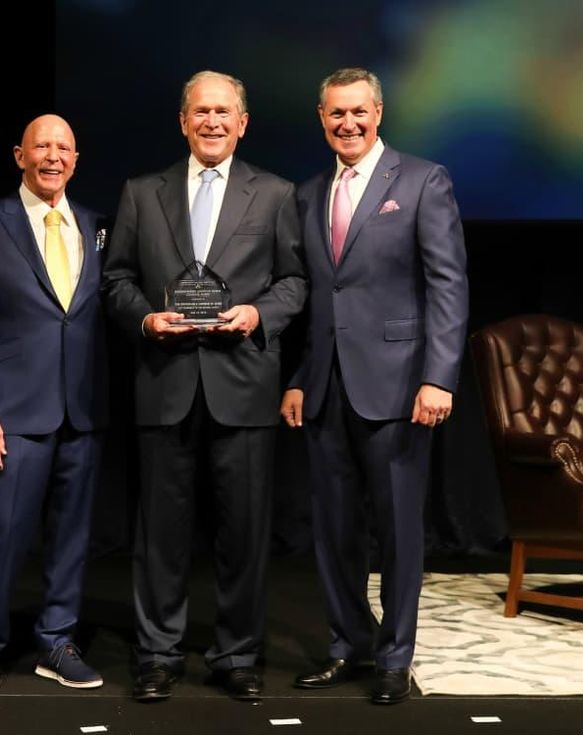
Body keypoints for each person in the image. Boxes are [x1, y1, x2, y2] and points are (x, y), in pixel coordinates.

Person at [103, 70, 307, 702]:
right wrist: (144, 316)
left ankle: (238, 654)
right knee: (160, 533)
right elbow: (116, 279)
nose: (213, 121)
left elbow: (294, 282)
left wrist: (257, 316)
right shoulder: (142, 192)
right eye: (201, 111)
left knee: (243, 532)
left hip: (242, 384)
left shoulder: (275, 193)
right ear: (183, 121)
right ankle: (157, 653)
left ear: (242, 123)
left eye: (224, 112)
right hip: (164, 382)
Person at [281, 67, 469, 705]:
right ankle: (346, 646)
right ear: (322, 117)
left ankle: (395, 655)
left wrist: (438, 377)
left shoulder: (422, 180)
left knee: (397, 529)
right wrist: (303, 380)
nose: (348, 124)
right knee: (333, 529)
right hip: (328, 389)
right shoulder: (308, 195)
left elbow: (448, 285)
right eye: (336, 114)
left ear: (379, 112)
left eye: (358, 112)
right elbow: (317, 300)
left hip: (399, 387)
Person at [0, 114, 108, 695]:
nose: (53, 156)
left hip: (82, 412)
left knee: (71, 537)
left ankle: (56, 641)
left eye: (63, 147)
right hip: (12, 415)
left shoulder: (95, 226)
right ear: (20, 155)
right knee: (4, 534)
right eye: (42, 146)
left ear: (75, 157)